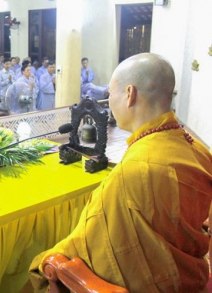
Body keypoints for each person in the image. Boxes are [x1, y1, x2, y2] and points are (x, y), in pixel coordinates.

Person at [28, 53, 212, 292]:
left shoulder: (137, 167)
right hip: (193, 275)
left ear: (129, 94)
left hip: (157, 284)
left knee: (45, 265)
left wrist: (49, 260)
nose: (109, 100)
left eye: (110, 94)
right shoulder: (197, 148)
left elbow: (85, 243)